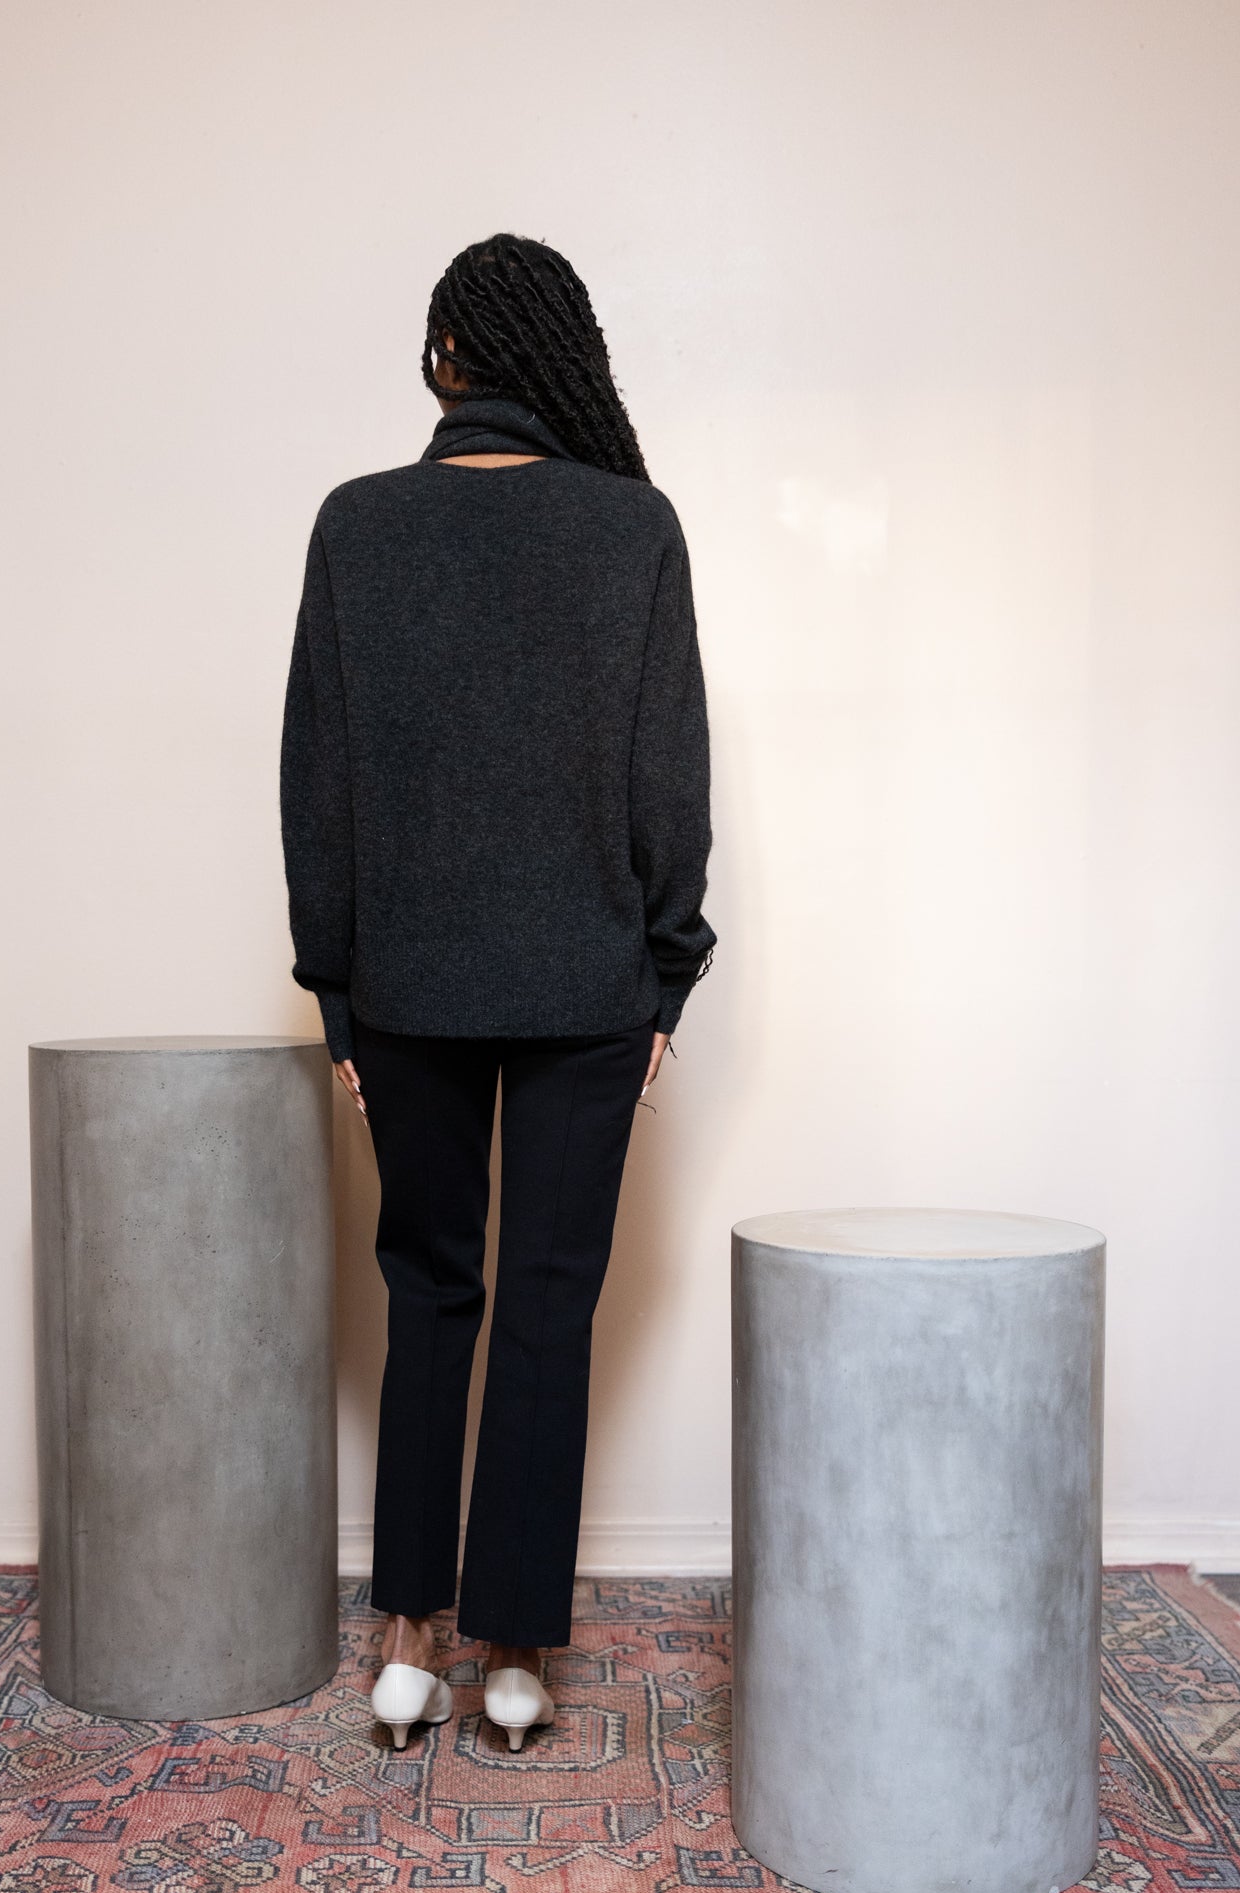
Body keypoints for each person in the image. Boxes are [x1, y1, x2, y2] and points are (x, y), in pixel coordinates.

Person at [278, 232, 716, 1752]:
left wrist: (336, 993)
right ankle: (514, 1649)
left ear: (446, 362)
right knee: (547, 1304)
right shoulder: (633, 527)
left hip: (409, 985)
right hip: (590, 986)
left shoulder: (358, 525)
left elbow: (318, 785)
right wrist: (666, 975)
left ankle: (408, 1637)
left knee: (428, 1294)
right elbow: (672, 780)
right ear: (562, 360)